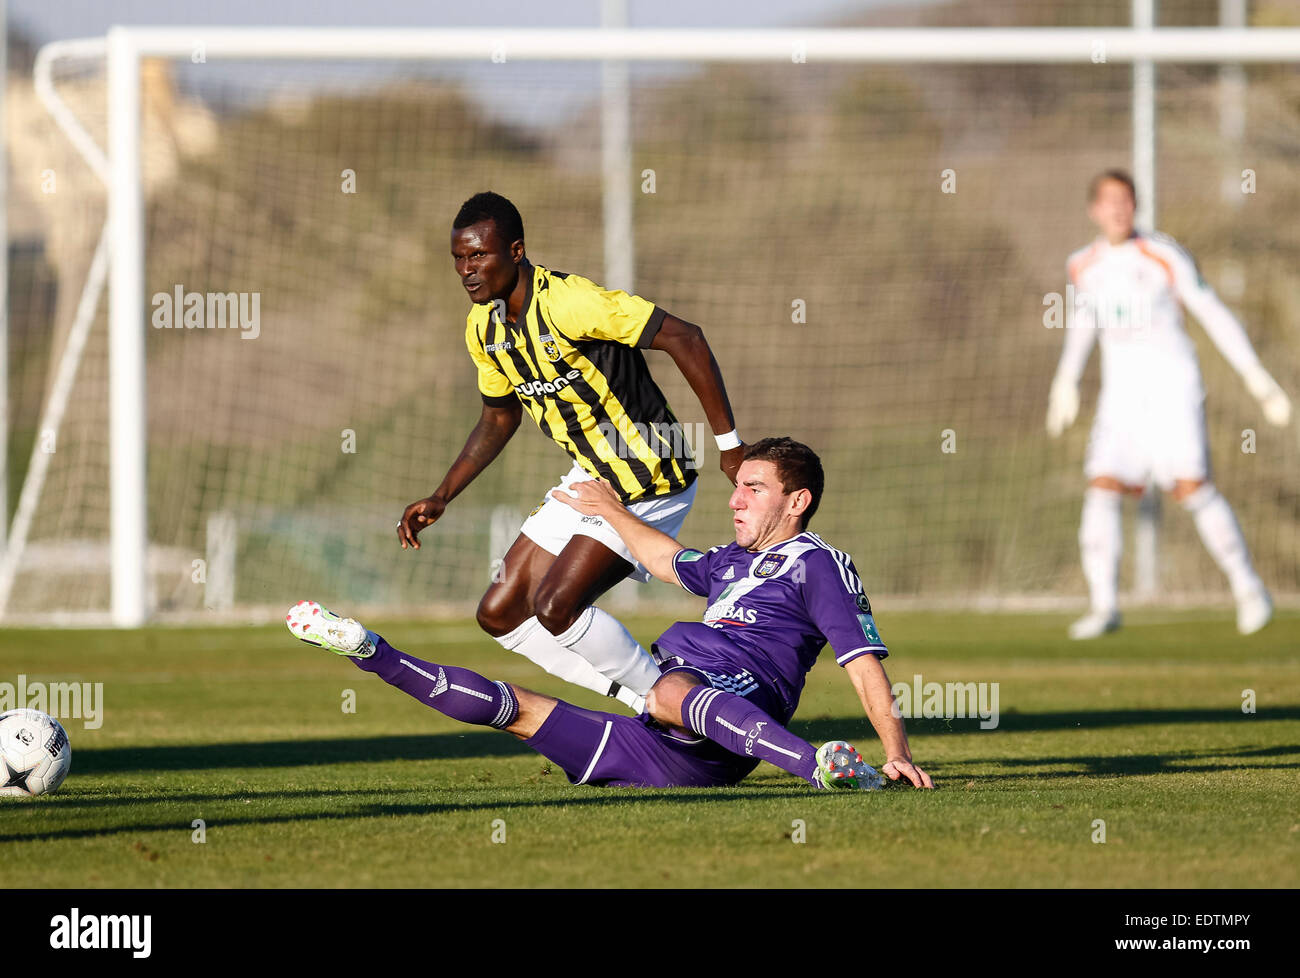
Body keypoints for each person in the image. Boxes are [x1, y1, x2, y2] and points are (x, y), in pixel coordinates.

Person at [296, 438, 933, 791]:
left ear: (798, 501)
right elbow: (667, 559)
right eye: (736, 487)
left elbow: (861, 661)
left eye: (754, 488)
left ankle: (818, 766)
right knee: (516, 711)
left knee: (664, 683)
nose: (735, 500)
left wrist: (895, 751)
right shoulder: (728, 560)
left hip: (739, 697)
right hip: (671, 748)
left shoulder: (818, 565)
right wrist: (610, 512)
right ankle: (367, 649)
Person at [397, 192, 744, 712]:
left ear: (516, 251)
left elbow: (685, 337)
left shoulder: (570, 302)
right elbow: (498, 416)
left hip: (650, 472)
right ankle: (651, 699)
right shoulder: (483, 328)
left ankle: (686, 709)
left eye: (479, 256)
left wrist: (730, 446)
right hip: (592, 475)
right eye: (459, 258)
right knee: (500, 611)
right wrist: (443, 495)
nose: (467, 270)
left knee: (556, 606)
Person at [1047, 169, 1291, 638]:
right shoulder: (1083, 264)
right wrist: (1066, 382)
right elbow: (1082, 325)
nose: (1118, 210)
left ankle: (1248, 587)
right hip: (1121, 398)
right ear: (1094, 210)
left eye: (1126, 201)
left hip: (1173, 389)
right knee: (1101, 486)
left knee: (1190, 487)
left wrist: (1256, 378)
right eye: (1109, 202)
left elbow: (1212, 313)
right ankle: (1104, 606)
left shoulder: (1163, 255)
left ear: (1136, 205)